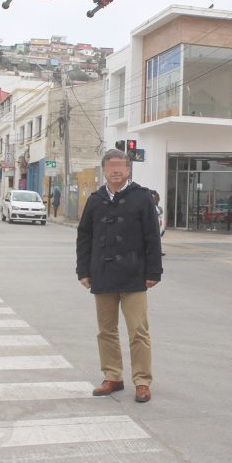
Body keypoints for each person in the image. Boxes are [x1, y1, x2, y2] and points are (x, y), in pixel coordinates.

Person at [76, 149, 162, 404]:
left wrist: (153, 272)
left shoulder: (142, 197)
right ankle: (112, 376)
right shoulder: (95, 199)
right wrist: (83, 271)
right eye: (111, 166)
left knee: (138, 331)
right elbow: (84, 237)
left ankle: (142, 381)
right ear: (104, 170)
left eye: (120, 166)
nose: (116, 170)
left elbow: (152, 238)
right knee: (106, 330)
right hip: (102, 274)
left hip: (134, 275)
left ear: (128, 170)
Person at [150, 190, 166, 257]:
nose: (154, 199)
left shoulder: (156, 207)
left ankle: (158, 251)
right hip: (154, 224)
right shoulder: (151, 206)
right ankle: (156, 251)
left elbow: (160, 213)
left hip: (158, 224)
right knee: (155, 239)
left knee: (158, 238)